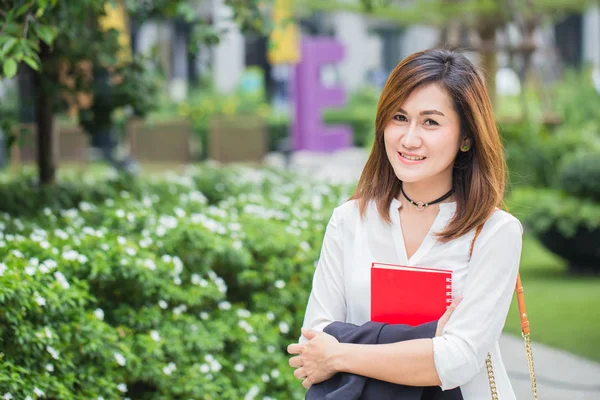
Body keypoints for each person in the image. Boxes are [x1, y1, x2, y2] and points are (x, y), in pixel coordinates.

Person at [287, 48, 523, 400]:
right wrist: (430, 341)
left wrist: (340, 354)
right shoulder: (349, 221)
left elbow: (457, 360)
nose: (409, 139)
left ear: (466, 137)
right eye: (399, 117)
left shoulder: (495, 232)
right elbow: (314, 338)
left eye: (430, 122)